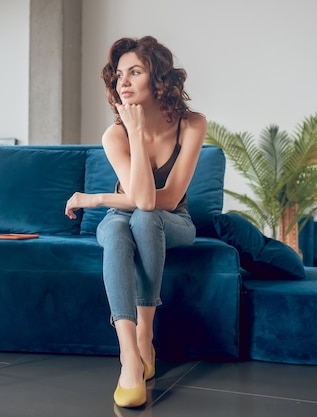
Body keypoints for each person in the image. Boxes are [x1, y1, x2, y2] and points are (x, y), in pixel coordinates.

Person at [65, 36, 207, 408]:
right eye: (118, 75)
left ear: (158, 78)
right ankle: (129, 354)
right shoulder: (115, 134)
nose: (122, 81)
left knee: (145, 219)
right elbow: (140, 199)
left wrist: (93, 198)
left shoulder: (192, 125)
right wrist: (134, 134)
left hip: (174, 220)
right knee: (114, 227)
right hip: (123, 217)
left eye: (135, 72)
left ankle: (146, 335)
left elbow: (163, 199)